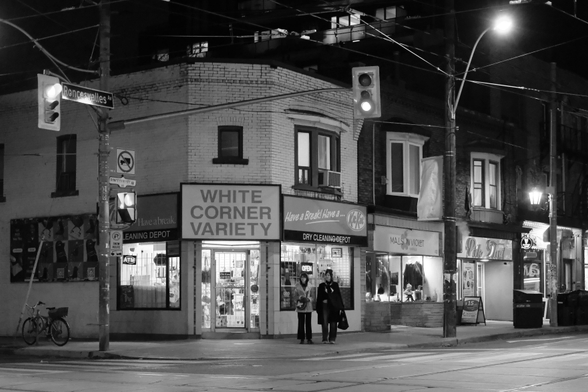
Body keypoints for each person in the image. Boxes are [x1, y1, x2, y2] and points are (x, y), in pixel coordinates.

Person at [316, 269, 344, 344]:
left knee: (333, 322)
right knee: (324, 322)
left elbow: (338, 296)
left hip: (333, 306)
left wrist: (341, 307)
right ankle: (325, 338)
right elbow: (319, 297)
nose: (327, 277)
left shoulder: (335, 285)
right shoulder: (322, 286)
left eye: (328, 275)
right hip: (324, 306)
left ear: (331, 276)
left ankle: (332, 338)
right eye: (326, 275)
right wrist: (318, 308)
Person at [294, 273, 314, 344]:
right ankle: (301, 338)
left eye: (304, 277)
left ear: (307, 278)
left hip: (308, 306)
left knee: (308, 323)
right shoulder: (297, 286)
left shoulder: (310, 285)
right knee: (301, 323)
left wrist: (308, 299)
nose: (303, 279)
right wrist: (300, 298)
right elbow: (295, 296)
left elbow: (313, 296)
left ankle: (309, 338)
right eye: (302, 277)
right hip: (300, 306)